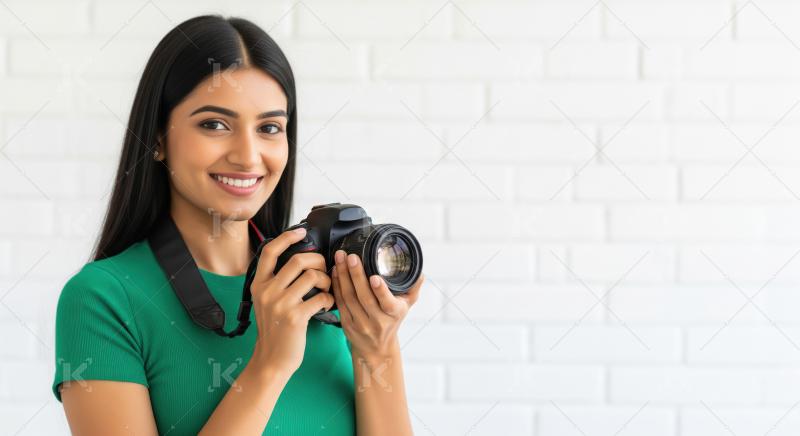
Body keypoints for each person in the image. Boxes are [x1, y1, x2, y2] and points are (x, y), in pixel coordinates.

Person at [51, 14, 424, 435]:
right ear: (157, 138)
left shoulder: (320, 285)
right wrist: (269, 365)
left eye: (269, 127)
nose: (248, 156)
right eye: (215, 124)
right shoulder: (102, 301)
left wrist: (378, 350)